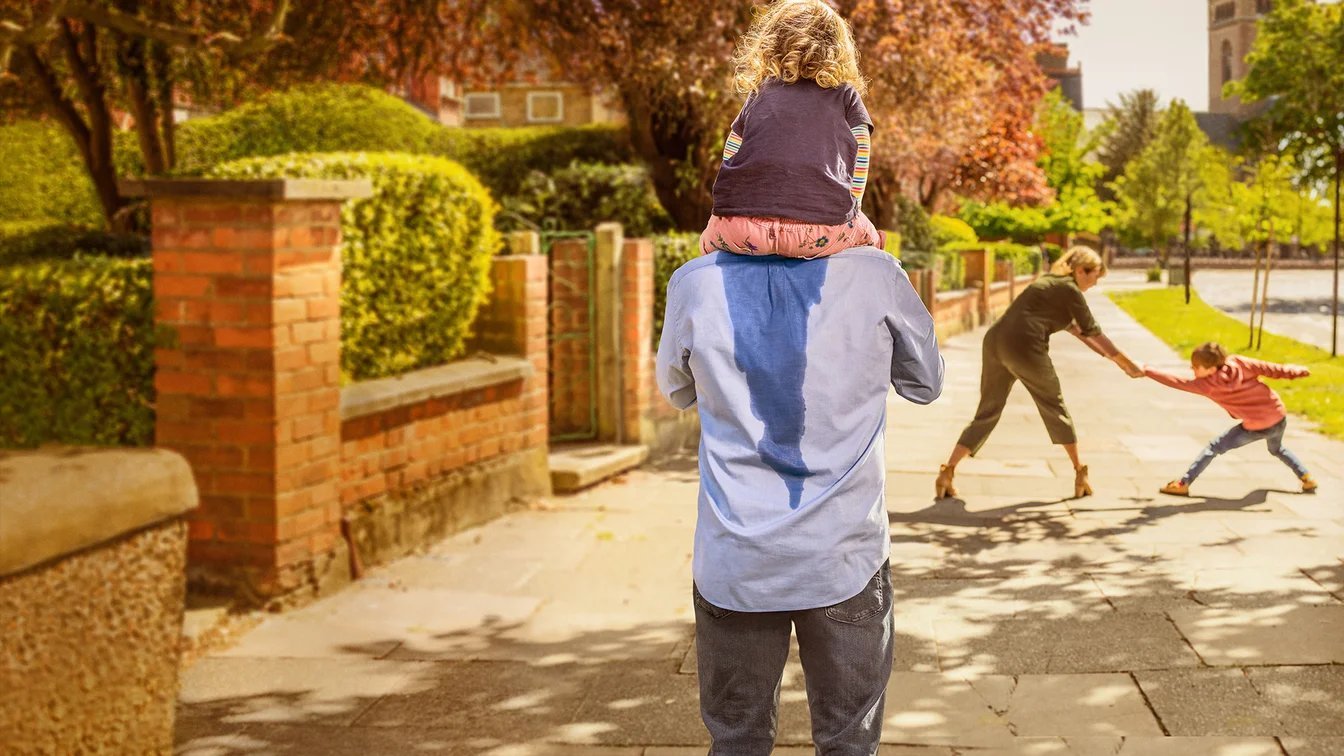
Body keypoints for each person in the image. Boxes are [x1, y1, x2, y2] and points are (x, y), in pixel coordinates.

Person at [935, 247, 1143, 500]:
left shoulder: (1048, 283)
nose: (1095, 283)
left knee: (988, 411)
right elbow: (1092, 331)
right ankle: (1080, 472)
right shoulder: (1069, 289)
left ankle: (948, 471)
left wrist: (1115, 360)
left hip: (995, 342)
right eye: (1094, 276)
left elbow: (1079, 333)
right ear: (1080, 270)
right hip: (1025, 347)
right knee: (1054, 406)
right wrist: (1126, 362)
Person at [698, 0, 883, 259]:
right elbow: (861, 151)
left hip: (743, 231)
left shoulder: (759, 93)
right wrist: (853, 207)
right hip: (816, 233)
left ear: (771, 45)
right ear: (838, 49)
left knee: (707, 240)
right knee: (871, 237)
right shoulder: (845, 96)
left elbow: (732, 151)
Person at [1144, 341, 1317, 496]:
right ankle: (1307, 478)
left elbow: (1176, 381)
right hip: (1278, 416)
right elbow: (1269, 369)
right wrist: (1295, 372)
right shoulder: (1240, 363)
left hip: (1256, 426)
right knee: (1277, 449)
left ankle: (1183, 484)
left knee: (1214, 447)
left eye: (1196, 367)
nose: (1192, 369)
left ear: (1211, 369)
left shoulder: (1206, 385)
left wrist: (1146, 370)